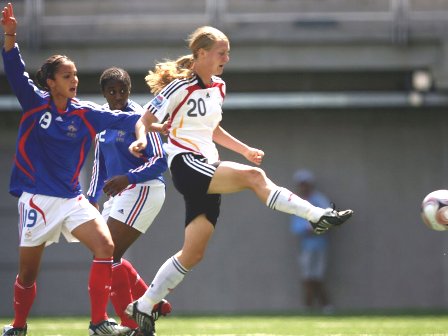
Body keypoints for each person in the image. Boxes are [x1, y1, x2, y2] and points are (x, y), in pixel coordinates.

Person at [125, 25, 354, 335]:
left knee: (192, 254)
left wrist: (244, 149)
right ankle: (318, 216)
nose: (227, 58)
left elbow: (213, 129)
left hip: (207, 164)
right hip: (186, 164)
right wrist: (142, 139)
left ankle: (144, 305)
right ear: (202, 54)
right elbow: (145, 119)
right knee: (254, 178)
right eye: (222, 53)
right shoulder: (178, 87)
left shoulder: (218, 87)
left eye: (228, 53)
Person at [1, 3, 142, 335]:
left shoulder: (85, 113)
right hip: (37, 201)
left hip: (72, 199)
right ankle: (19, 325)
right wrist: (10, 35)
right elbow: (13, 68)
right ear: (51, 82)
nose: (74, 80)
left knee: (105, 247)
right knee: (28, 275)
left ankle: (97, 323)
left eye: (76, 75)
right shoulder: (35, 104)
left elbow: (125, 117)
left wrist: (154, 120)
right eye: (67, 76)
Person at [86, 67, 171, 335]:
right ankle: (151, 302)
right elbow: (99, 165)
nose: (118, 96)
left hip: (143, 188)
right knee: (105, 254)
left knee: (107, 253)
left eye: (123, 90)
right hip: (120, 193)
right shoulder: (102, 120)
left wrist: (128, 178)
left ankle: (133, 325)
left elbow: (160, 161)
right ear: (104, 93)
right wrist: (91, 198)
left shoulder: (141, 117)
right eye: (112, 91)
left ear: (129, 90)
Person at [290, 169, 333, 313]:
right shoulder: (297, 202)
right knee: (307, 277)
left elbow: (329, 218)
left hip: (320, 245)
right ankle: (308, 307)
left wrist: (318, 227)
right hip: (306, 247)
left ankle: (325, 306)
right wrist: (308, 228)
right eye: (301, 184)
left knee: (318, 276)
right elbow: (296, 227)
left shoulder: (320, 200)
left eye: (306, 184)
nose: (303, 187)